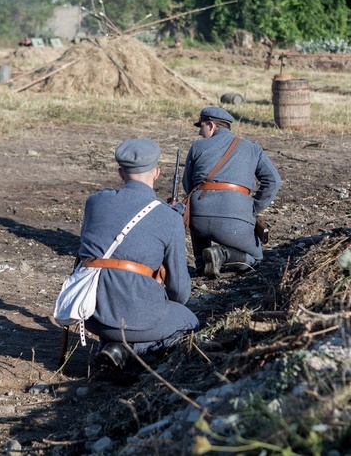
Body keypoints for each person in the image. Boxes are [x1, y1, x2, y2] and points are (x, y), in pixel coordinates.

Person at [80, 139, 198, 371]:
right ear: (156, 173)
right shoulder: (169, 217)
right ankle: (128, 349)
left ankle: (113, 346)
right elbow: (180, 292)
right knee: (189, 321)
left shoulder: (94, 202)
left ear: (120, 173)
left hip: (91, 316)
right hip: (138, 320)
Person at [182, 107, 281, 278]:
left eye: (201, 126)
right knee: (256, 259)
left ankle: (201, 263)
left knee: (196, 206)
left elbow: (187, 184)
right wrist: (254, 207)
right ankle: (222, 255)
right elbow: (273, 181)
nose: (199, 132)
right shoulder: (252, 148)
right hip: (235, 218)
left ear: (212, 126)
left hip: (198, 220)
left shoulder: (196, 147)